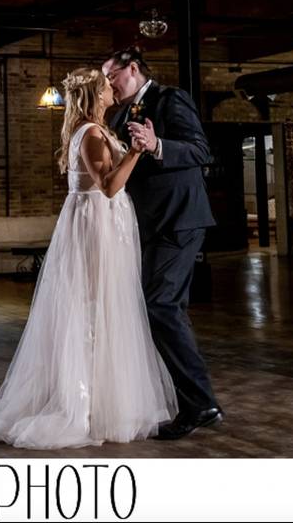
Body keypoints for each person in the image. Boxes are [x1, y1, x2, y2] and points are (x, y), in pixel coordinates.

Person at [0, 68, 177, 449]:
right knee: (93, 310)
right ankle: (85, 404)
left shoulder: (97, 129)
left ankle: (104, 400)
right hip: (96, 228)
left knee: (106, 309)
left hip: (105, 227)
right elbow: (109, 187)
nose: (113, 89)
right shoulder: (92, 134)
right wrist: (139, 153)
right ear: (95, 95)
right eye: (106, 87)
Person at [103, 46, 223, 440]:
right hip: (146, 224)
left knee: (160, 304)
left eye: (112, 76)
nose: (109, 84)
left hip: (179, 219)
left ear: (132, 69)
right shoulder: (119, 113)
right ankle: (192, 400)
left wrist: (157, 145)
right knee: (162, 307)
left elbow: (201, 151)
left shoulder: (170, 99)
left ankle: (200, 403)